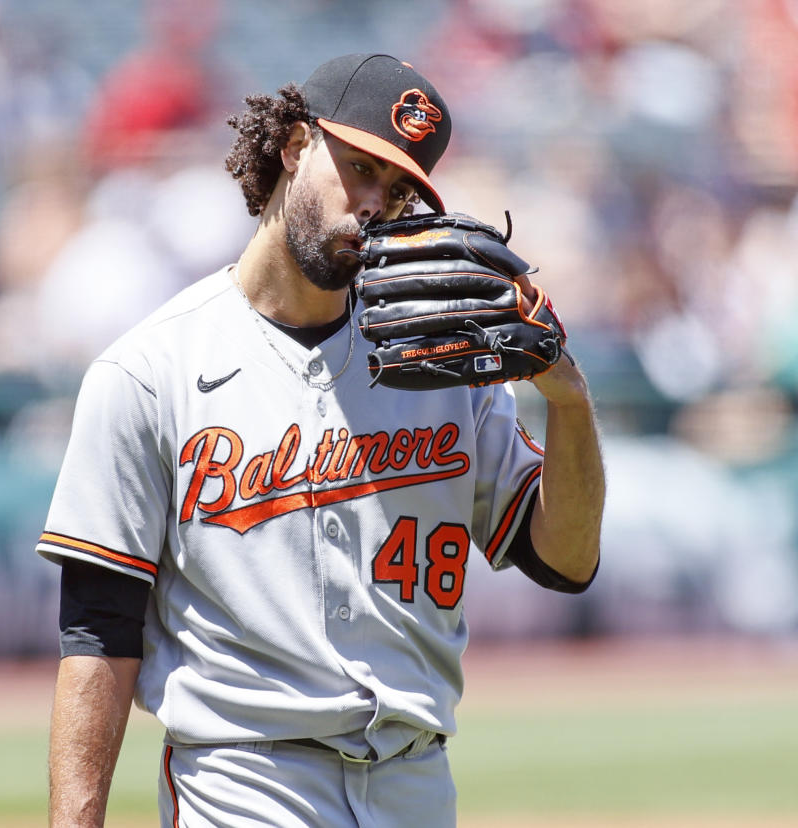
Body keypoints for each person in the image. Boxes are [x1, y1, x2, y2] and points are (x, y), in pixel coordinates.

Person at [37, 53, 605, 828]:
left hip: (418, 783)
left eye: (400, 189)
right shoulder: (151, 370)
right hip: (245, 782)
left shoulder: (446, 360)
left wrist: (567, 398)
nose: (376, 204)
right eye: (362, 168)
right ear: (297, 145)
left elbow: (565, 558)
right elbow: (98, 633)